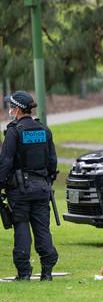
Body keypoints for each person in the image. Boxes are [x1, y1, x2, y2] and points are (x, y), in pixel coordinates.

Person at [0, 91, 58, 281]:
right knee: (42, 229)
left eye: (11, 107)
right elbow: (52, 162)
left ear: (17, 109)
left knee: (22, 228)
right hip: (42, 188)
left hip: (20, 190)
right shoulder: (44, 130)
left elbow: (5, 162)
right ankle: (47, 272)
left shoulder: (14, 131)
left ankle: (24, 272)